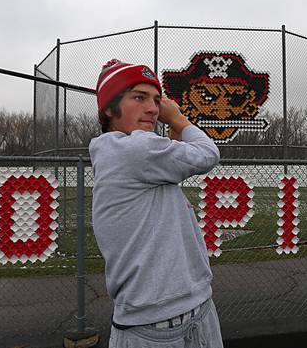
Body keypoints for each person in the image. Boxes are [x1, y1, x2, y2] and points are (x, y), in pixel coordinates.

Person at [89, 59, 224, 348]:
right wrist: (176, 117)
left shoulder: (128, 154)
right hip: (155, 328)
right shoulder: (134, 150)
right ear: (110, 109)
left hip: (190, 308)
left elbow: (170, 177)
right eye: (139, 97)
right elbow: (207, 154)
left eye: (156, 100)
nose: (153, 108)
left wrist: (171, 129)